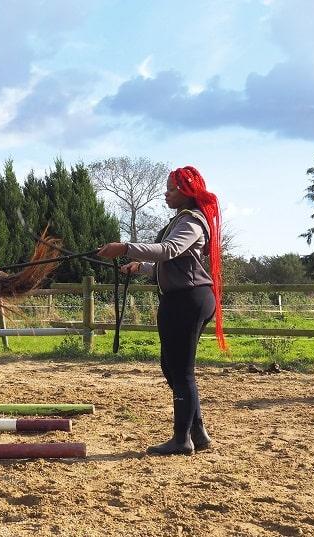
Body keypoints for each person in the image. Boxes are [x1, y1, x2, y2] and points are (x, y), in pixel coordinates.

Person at [97, 165, 227, 456]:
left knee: (182, 372)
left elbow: (168, 250)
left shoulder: (191, 221)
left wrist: (125, 247)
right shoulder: (183, 220)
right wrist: (140, 267)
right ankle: (196, 432)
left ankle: (182, 440)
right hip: (182, 298)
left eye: (170, 189)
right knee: (173, 369)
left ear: (185, 191)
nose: (165, 194)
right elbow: (173, 263)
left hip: (188, 301)